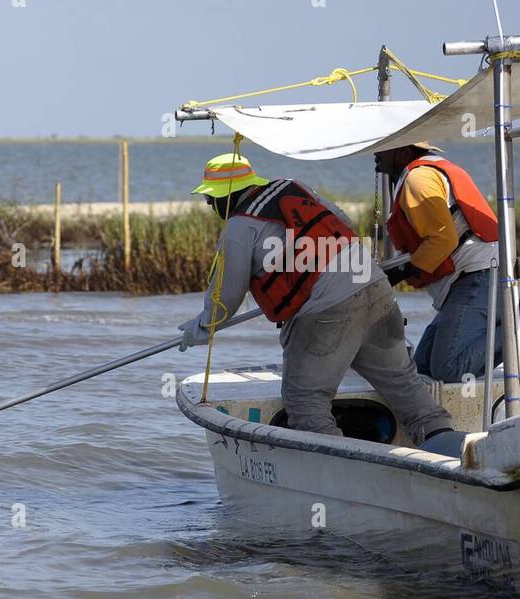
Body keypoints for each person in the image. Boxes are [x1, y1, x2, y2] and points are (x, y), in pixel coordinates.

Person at [179, 152, 455, 447]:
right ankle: (448, 448)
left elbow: (226, 297)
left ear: (226, 196)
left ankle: (343, 475)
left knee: (305, 401)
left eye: (211, 199)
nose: (210, 206)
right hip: (375, 288)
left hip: (326, 311)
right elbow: (342, 220)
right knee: (404, 386)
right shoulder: (292, 186)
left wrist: (200, 328)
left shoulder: (238, 228)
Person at [374, 142, 500, 383]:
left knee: (448, 370)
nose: (376, 155)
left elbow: (442, 239)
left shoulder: (417, 179)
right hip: (474, 277)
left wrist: (401, 272)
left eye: (383, 149)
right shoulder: (428, 170)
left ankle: (512, 335)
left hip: (476, 277)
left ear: (405, 151)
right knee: (422, 370)